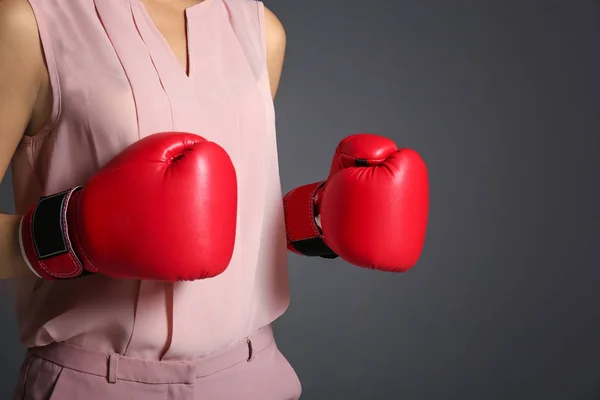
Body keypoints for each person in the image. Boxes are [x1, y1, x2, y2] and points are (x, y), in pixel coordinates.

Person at [0, 0, 429, 399]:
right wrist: (71, 234)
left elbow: (205, 216)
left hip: (254, 376)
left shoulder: (260, 28)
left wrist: (322, 216)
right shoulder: (31, 22)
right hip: (96, 384)